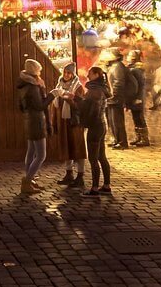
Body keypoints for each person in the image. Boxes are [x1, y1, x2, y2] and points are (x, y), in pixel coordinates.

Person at [16, 59, 53, 194]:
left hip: (29, 121)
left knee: (31, 151)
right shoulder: (32, 87)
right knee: (41, 155)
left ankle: (29, 181)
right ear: (34, 71)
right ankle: (27, 181)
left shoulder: (24, 85)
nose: (40, 73)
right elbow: (40, 106)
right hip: (36, 122)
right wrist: (52, 95)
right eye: (39, 70)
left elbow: (21, 106)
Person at [51, 63, 87, 187]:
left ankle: (80, 176)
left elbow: (80, 106)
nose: (66, 75)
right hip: (62, 122)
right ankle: (68, 173)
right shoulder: (58, 85)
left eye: (69, 73)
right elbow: (54, 106)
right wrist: (54, 122)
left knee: (77, 148)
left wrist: (68, 98)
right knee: (65, 147)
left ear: (73, 74)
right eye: (65, 72)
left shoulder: (78, 87)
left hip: (74, 123)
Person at [81, 65, 112, 196]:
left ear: (96, 75)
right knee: (101, 156)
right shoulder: (100, 89)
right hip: (101, 124)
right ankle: (106, 185)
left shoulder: (94, 91)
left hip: (95, 126)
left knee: (93, 158)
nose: (87, 75)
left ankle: (94, 188)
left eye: (90, 73)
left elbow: (90, 110)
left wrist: (76, 100)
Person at [104, 52, 132, 150]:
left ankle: (122, 141)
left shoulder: (118, 66)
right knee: (112, 120)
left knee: (117, 121)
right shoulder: (113, 66)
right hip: (112, 98)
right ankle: (116, 139)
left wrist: (114, 95)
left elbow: (118, 82)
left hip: (116, 98)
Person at [124, 52, 151, 148]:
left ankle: (144, 138)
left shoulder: (137, 69)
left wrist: (138, 98)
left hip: (137, 97)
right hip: (134, 97)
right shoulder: (133, 68)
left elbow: (140, 85)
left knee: (139, 117)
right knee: (135, 117)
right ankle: (138, 137)